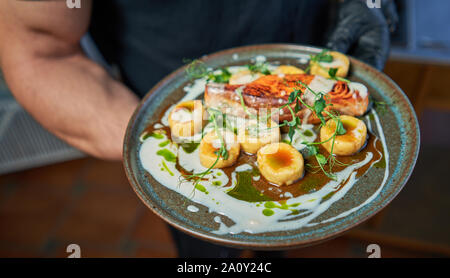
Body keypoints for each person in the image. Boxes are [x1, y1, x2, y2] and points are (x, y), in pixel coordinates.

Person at [0, 0, 397, 257]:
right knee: (208, 254)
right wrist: (158, 149)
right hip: (179, 93)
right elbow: (38, 47)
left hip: (317, 49)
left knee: (277, 243)